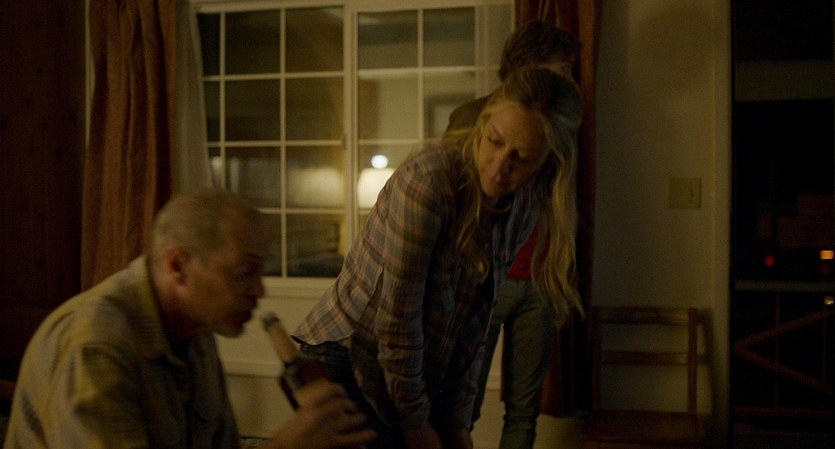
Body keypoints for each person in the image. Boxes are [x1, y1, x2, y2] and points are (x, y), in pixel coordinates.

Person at [292, 67, 584, 449]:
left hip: (411, 369)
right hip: (348, 357)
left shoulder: (525, 204)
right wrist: (416, 424)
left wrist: (458, 421)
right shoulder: (429, 180)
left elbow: (475, 326)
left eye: (523, 157)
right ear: (485, 122)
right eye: (494, 142)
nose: (499, 167)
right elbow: (398, 320)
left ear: (549, 161)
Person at [2, 189, 376, 449]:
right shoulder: (95, 345)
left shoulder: (196, 332)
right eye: (244, 271)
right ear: (178, 266)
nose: (259, 290)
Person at [445, 20, 583, 449]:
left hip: (539, 279)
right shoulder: (474, 117)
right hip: (486, 278)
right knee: (461, 404)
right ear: (531, 69)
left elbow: (561, 201)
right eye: (562, 70)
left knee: (524, 411)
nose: (571, 80)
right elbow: (453, 203)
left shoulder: (561, 123)